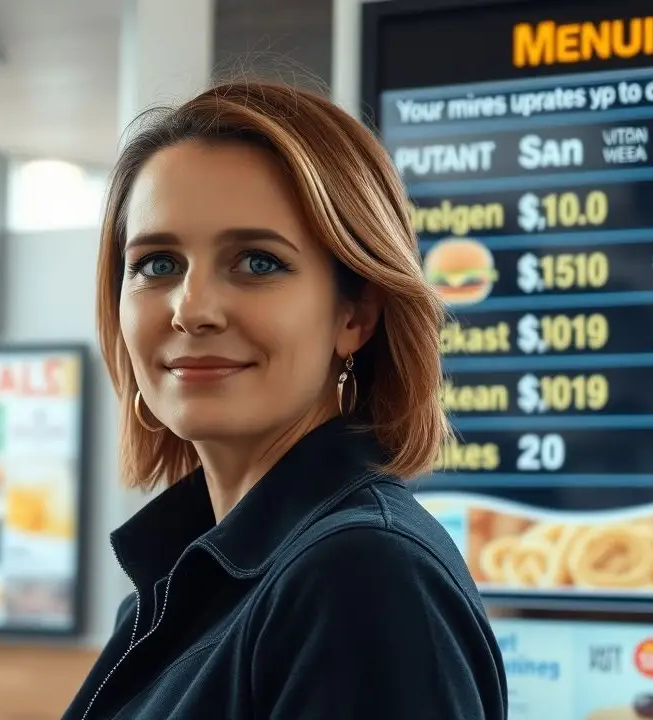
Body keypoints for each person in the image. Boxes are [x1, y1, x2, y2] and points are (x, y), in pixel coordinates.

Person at [63, 81, 508, 720]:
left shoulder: (360, 576)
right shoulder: (182, 587)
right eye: (158, 264)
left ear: (355, 314)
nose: (192, 310)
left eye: (257, 263)